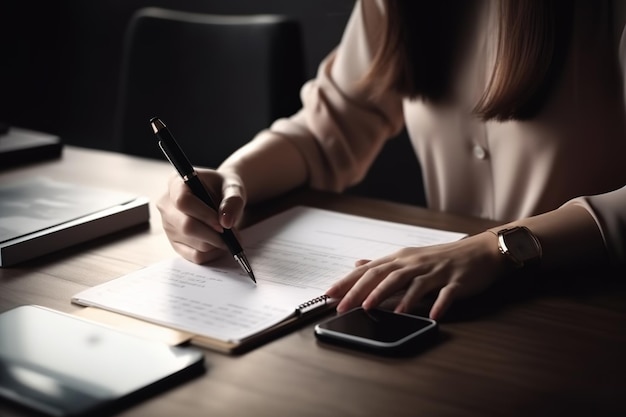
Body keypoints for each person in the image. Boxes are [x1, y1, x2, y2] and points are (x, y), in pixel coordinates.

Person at [157, 0, 626, 320]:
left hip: (592, 303)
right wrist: (233, 179)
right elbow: (330, 128)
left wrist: (493, 248)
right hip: (449, 309)